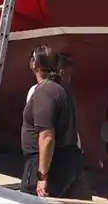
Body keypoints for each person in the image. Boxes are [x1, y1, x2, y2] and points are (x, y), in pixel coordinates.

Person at [20, 45, 87, 199]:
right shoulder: (63, 89)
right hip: (69, 157)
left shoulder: (44, 92)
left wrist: (42, 177)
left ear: (35, 64)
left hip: (49, 162)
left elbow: (47, 137)